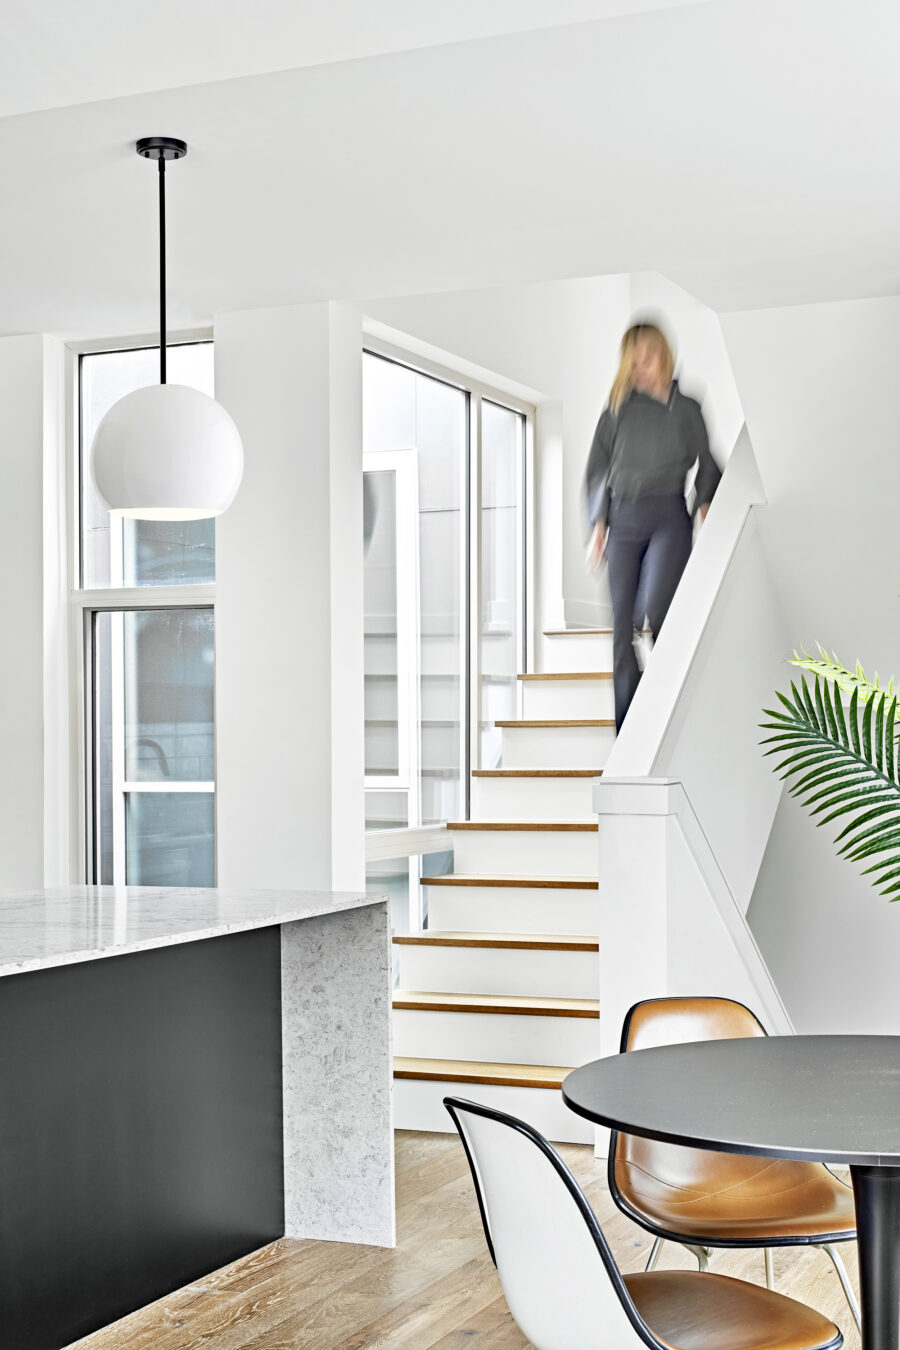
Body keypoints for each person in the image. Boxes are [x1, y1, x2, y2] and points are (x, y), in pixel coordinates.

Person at [584, 321, 720, 730]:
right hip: (623, 518)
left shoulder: (687, 408)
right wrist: (598, 524)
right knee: (622, 627)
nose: (642, 366)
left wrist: (706, 502)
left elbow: (708, 461)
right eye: (634, 361)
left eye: (649, 356)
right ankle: (628, 730)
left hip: (667, 518)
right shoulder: (618, 407)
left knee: (657, 610)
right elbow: (597, 470)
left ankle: (665, 712)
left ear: (664, 353)